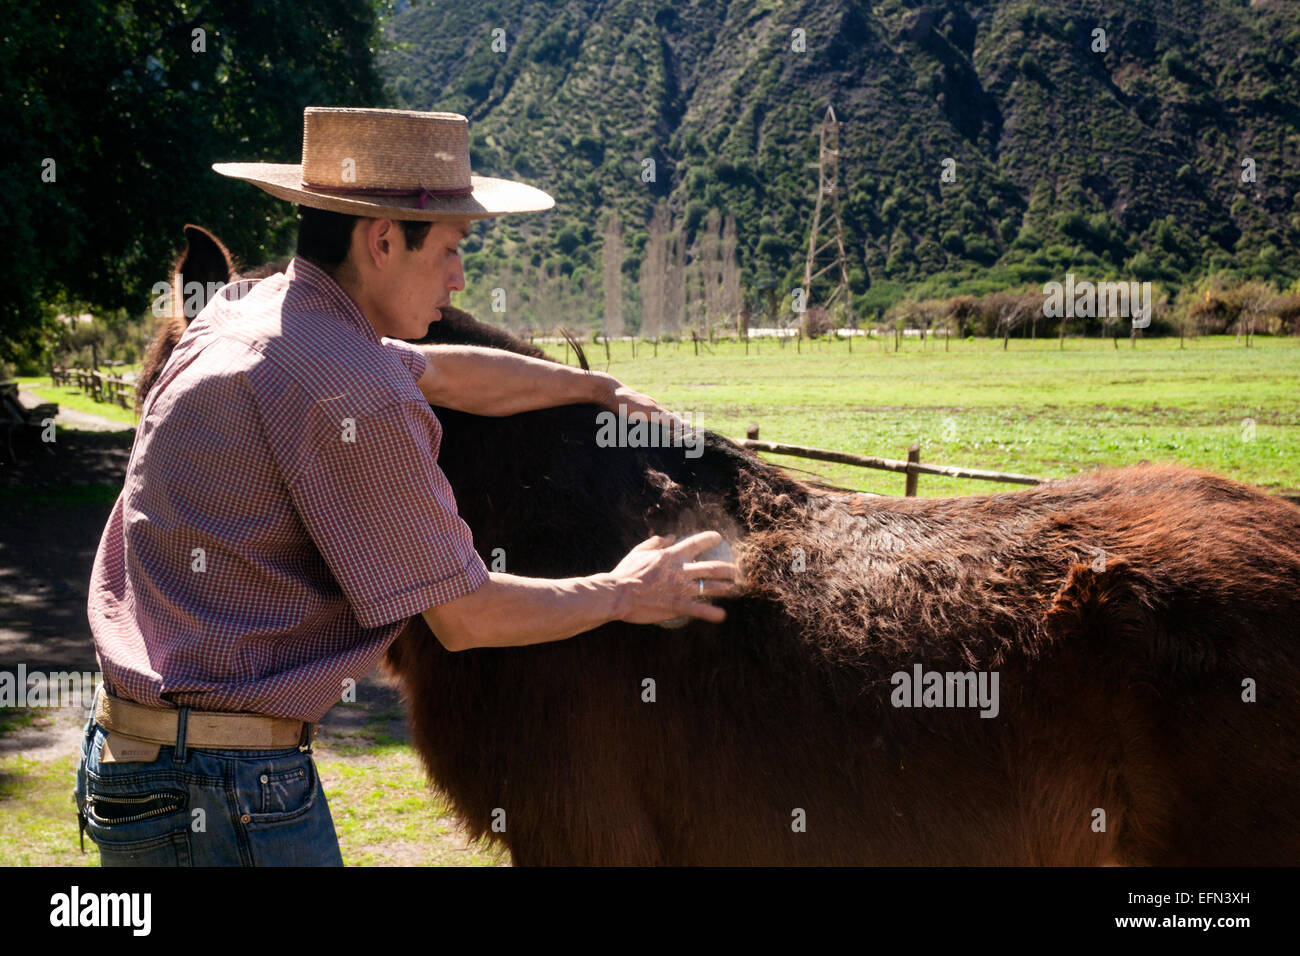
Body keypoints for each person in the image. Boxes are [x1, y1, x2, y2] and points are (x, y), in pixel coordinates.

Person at [76, 107, 739, 866]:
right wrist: (626, 592)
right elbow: (465, 615)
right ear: (383, 240)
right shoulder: (350, 390)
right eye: (452, 250)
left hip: (137, 762)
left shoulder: (248, 315)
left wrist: (594, 388)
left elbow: (450, 373)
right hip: (226, 787)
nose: (460, 280)